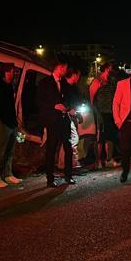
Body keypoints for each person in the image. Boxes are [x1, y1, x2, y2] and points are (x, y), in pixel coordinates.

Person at [38, 59, 74, 188]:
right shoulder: (45, 83)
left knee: (68, 147)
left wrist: (67, 107)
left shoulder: (64, 83)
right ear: (59, 68)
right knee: (51, 149)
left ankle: (68, 176)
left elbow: (69, 98)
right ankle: (50, 178)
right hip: (52, 121)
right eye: (65, 68)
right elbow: (40, 102)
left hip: (64, 120)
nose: (66, 71)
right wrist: (54, 106)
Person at [0, 62, 22, 188]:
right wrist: (0, 124)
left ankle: (8, 174)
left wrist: (16, 123)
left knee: (10, 151)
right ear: (6, 72)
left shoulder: (10, 87)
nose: (14, 73)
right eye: (12, 71)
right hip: (3, 125)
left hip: (11, 124)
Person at [90, 62, 119, 168]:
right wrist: (97, 114)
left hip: (110, 112)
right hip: (100, 113)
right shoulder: (97, 81)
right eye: (110, 68)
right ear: (107, 69)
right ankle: (98, 161)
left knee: (109, 137)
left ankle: (108, 159)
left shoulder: (111, 81)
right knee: (99, 138)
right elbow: (92, 99)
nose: (112, 70)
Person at [62, 68, 85, 173]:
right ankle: (73, 165)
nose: (79, 78)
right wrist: (69, 109)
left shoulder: (73, 87)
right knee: (73, 139)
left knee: (70, 140)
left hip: (73, 115)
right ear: (74, 75)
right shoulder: (64, 87)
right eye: (78, 75)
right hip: (66, 116)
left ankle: (65, 164)